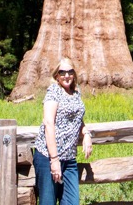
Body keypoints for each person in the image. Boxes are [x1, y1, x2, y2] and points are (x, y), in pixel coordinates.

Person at [33, 57, 93, 205]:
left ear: (74, 73)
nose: (66, 75)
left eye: (70, 71)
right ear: (56, 75)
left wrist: (86, 133)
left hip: (69, 158)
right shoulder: (54, 91)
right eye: (62, 72)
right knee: (48, 202)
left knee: (72, 201)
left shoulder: (76, 93)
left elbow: (77, 118)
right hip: (48, 157)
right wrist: (54, 160)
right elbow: (48, 122)